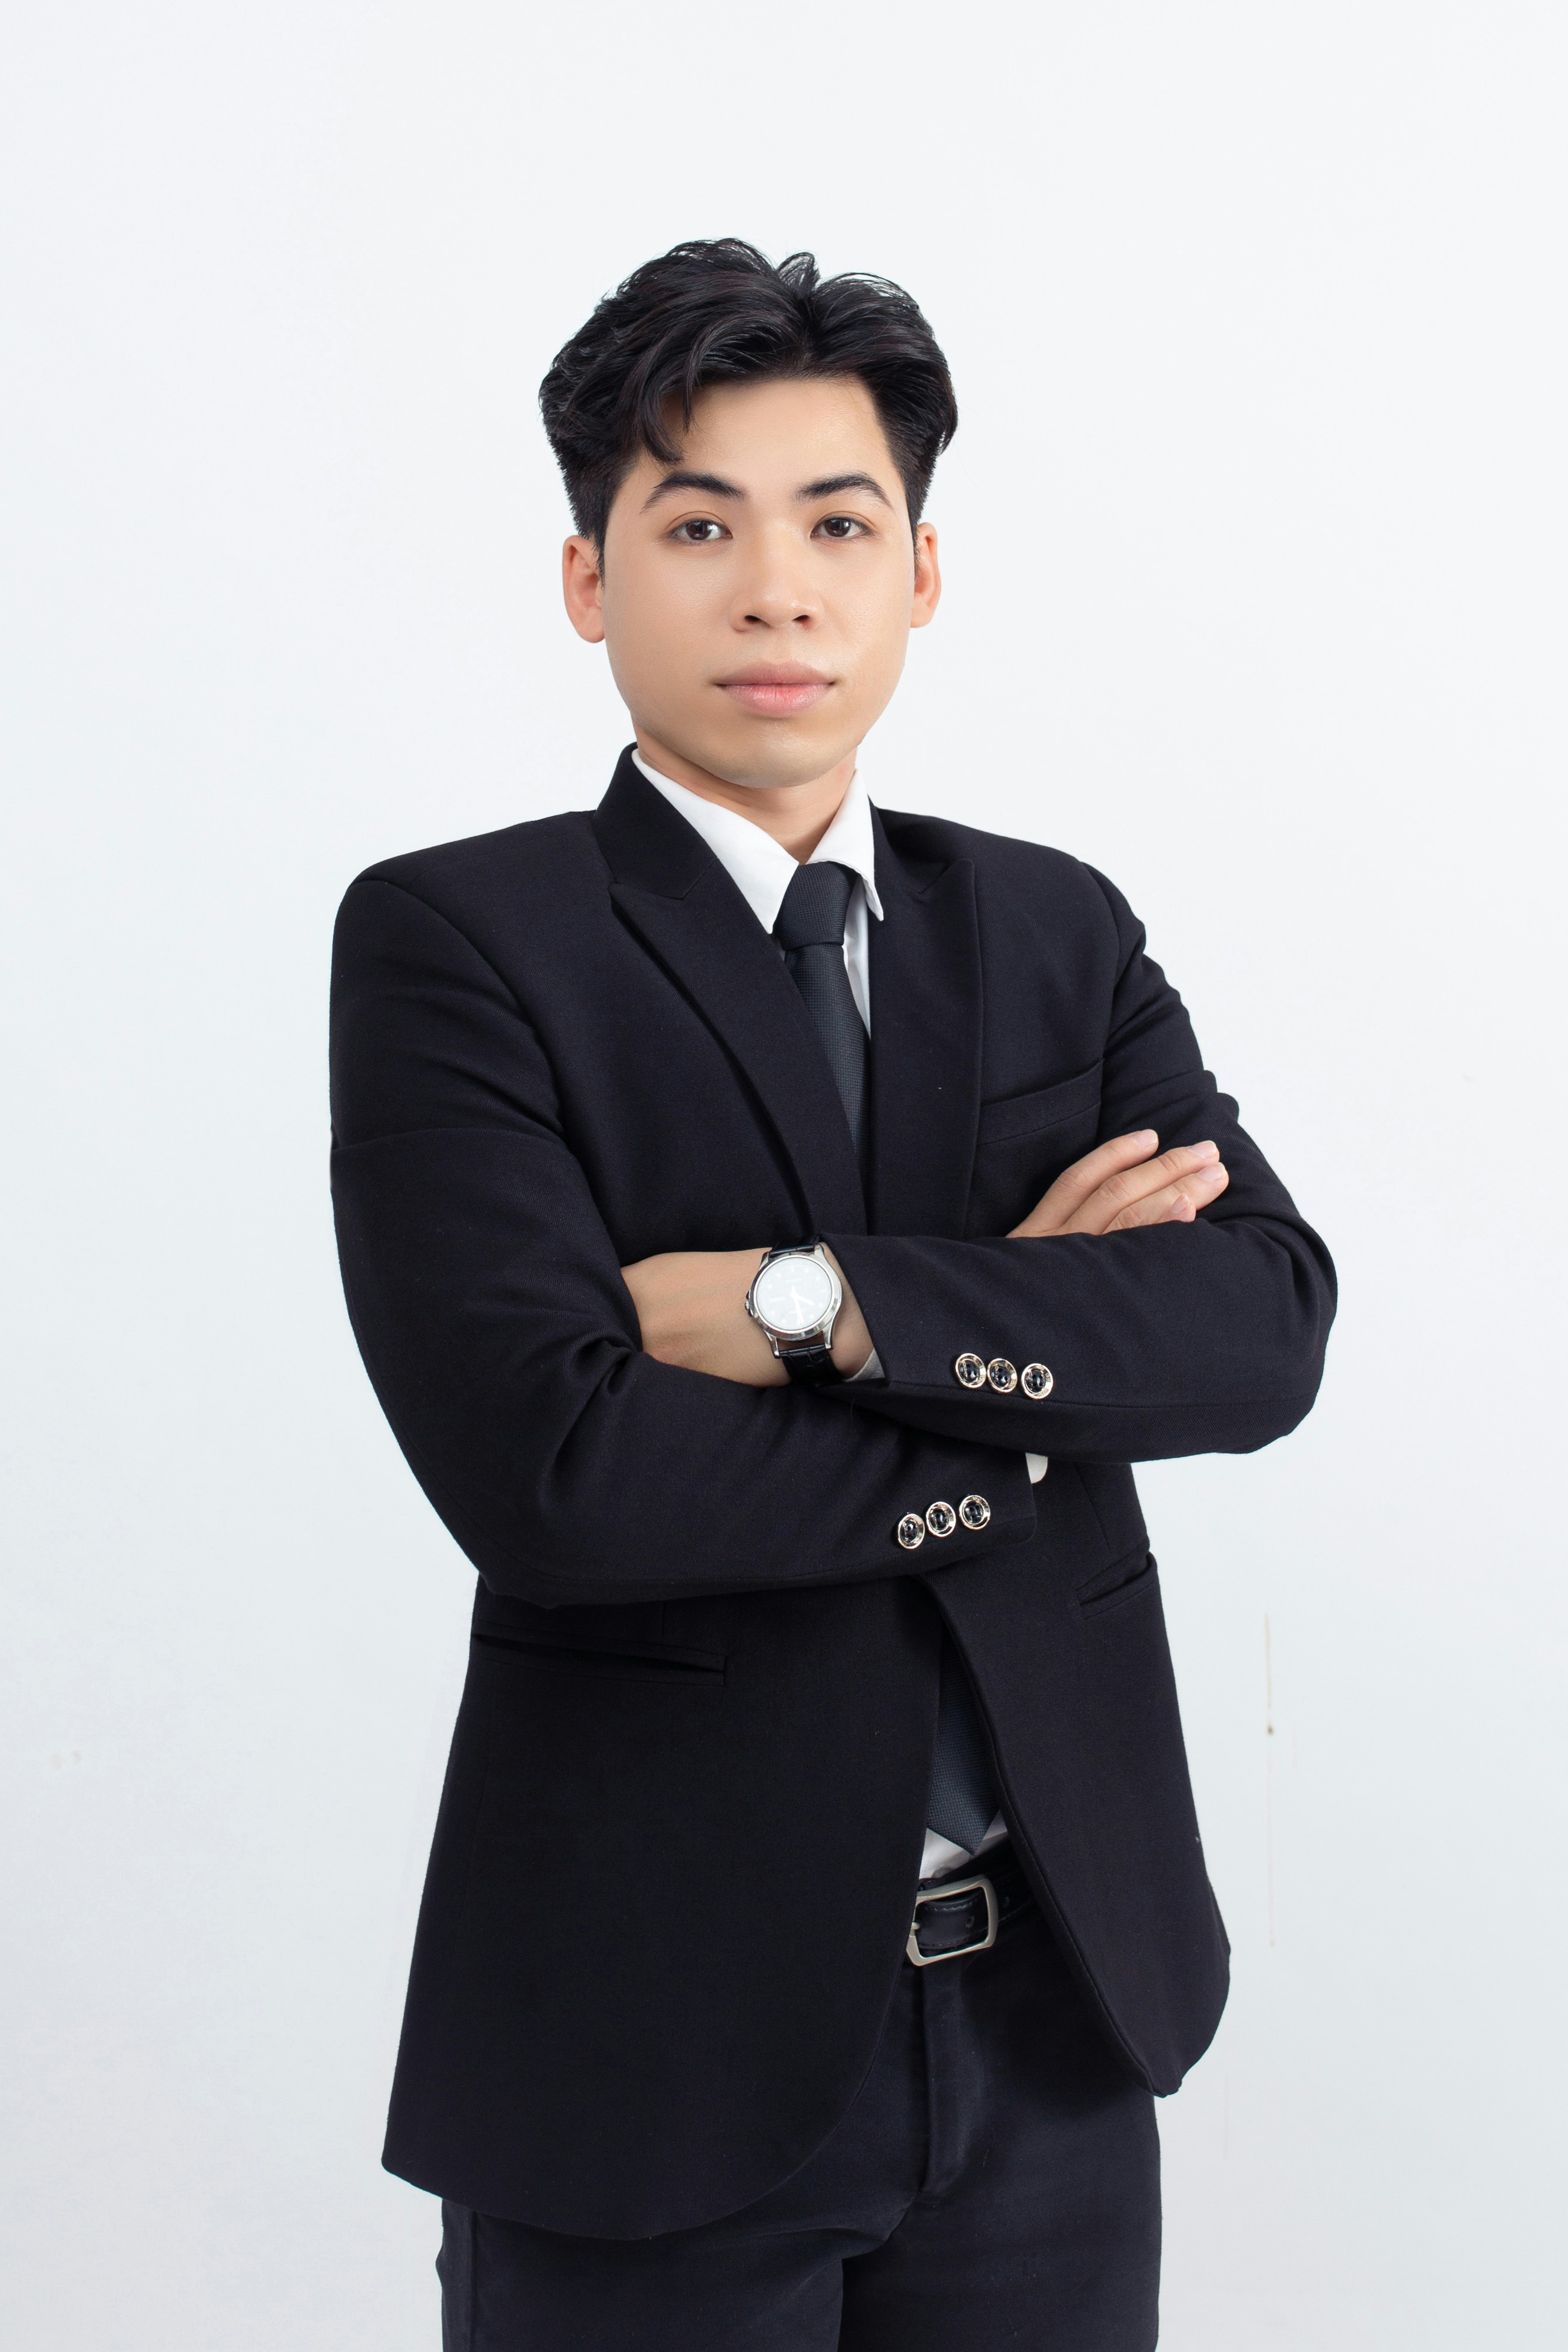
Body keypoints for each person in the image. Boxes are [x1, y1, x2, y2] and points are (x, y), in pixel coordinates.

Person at [329, 238, 1335, 2350]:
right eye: (696, 523)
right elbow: (565, 1472)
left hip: (1058, 2012)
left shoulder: (1053, 927)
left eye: (836, 522)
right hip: (647, 2047)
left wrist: (810, 1305)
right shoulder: (461, 942)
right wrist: (1033, 1392)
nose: (775, 588)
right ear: (592, 575)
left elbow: (1261, 1324)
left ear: (922, 572)